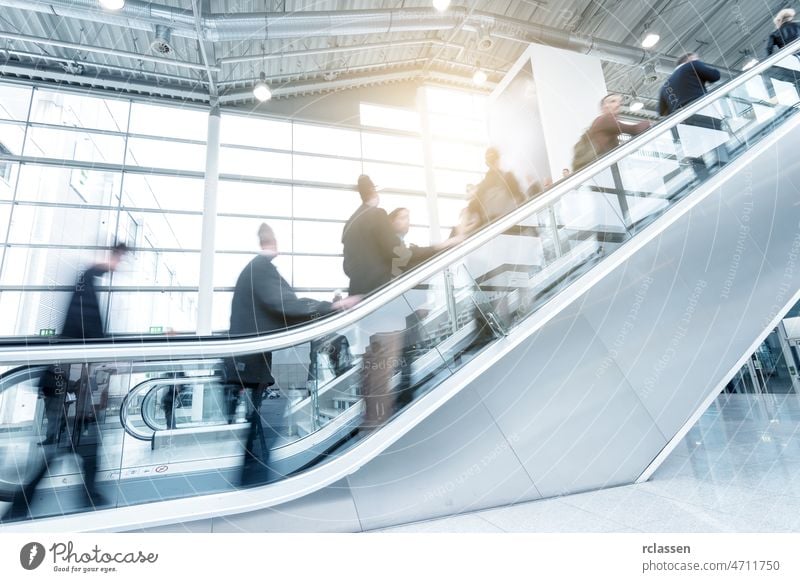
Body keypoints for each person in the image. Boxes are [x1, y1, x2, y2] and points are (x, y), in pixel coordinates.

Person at [4, 243, 129, 520]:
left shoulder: (90, 291)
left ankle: (87, 497)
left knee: (77, 446)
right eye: (117, 260)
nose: (118, 267)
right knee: (62, 447)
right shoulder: (86, 288)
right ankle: (25, 507)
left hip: (75, 384)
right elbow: (88, 332)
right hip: (71, 384)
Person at [226, 223, 358, 485]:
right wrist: (333, 306)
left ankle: (253, 477)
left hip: (254, 361)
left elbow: (285, 304)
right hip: (260, 361)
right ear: (268, 242)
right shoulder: (260, 269)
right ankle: (254, 478)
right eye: (273, 240)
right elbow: (286, 305)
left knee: (260, 423)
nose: (276, 246)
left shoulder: (255, 270)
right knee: (267, 419)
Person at [343, 176, 457, 295]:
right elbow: (397, 252)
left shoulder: (349, 224)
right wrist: (436, 248)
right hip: (380, 288)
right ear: (373, 190)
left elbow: (347, 267)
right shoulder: (377, 214)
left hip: (358, 290)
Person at [470, 147, 525, 226]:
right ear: (498, 160)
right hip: (509, 223)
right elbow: (520, 198)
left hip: (491, 227)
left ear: (487, 163)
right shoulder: (508, 177)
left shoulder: (482, 186)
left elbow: (474, 208)